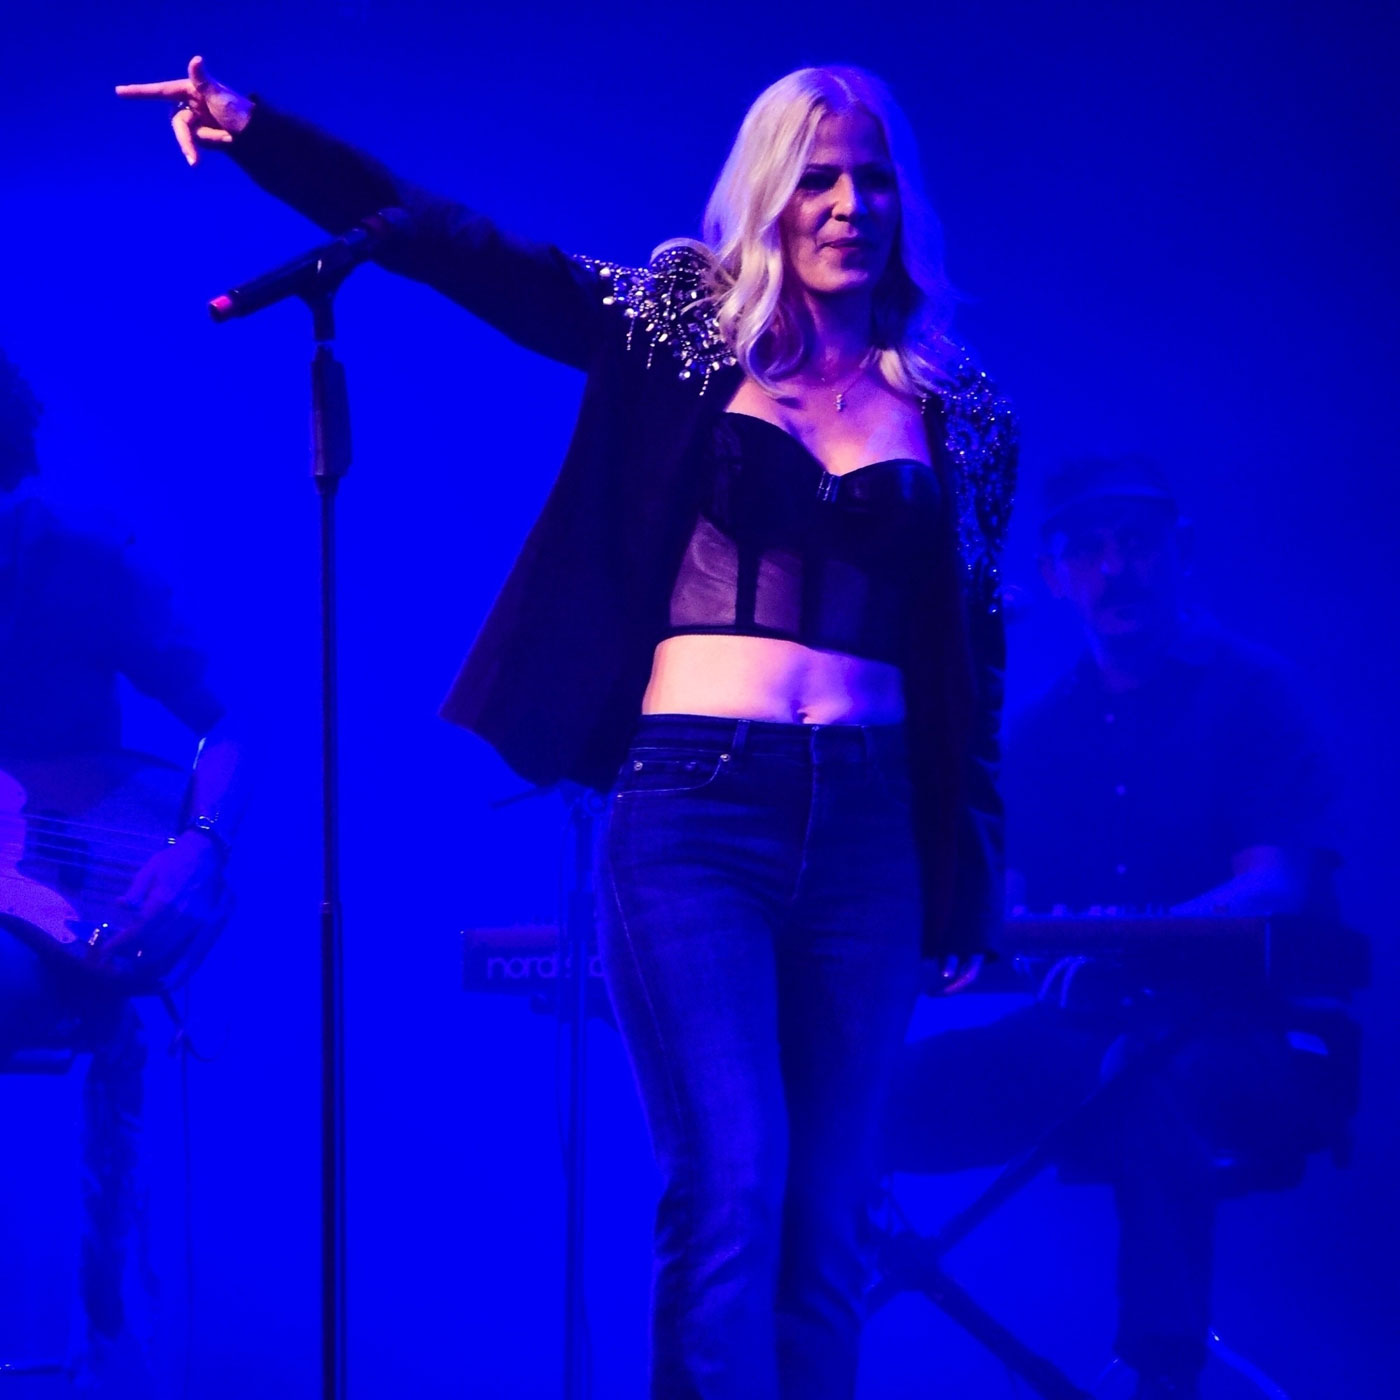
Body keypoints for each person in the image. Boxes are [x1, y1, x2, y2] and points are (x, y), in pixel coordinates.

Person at [116, 59, 1017, 1398]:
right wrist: (263, 135)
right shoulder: (678, 332)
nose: (848, 206)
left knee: (827, 1221)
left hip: (875, 824)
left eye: (873, 181)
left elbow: (972, 660)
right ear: (768, 196)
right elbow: (464, 247)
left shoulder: (959, 409)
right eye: (817, 179)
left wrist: (969, 871)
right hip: (697, 808)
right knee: (733, 1180)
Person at [887, 455, 1343, 1400]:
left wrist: (1131, 937)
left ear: (1181, 551)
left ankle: (1161, 1379)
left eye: (1135, 543)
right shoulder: (1036, 732)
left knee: (1141, 1075)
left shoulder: (1256, 695)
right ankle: (802, 1352)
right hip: (1076, 1035)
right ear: (1053, 576)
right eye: (1086, 550)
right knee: (849, 1108)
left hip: (1245, 1036)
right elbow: (998, 912)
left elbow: (1275, 885)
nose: (1114, 568)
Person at [0, 346, 243, 1393]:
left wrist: (199, 844)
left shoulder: (82, 558)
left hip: (59, 921)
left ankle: (97, 1341)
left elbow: (236, 718)